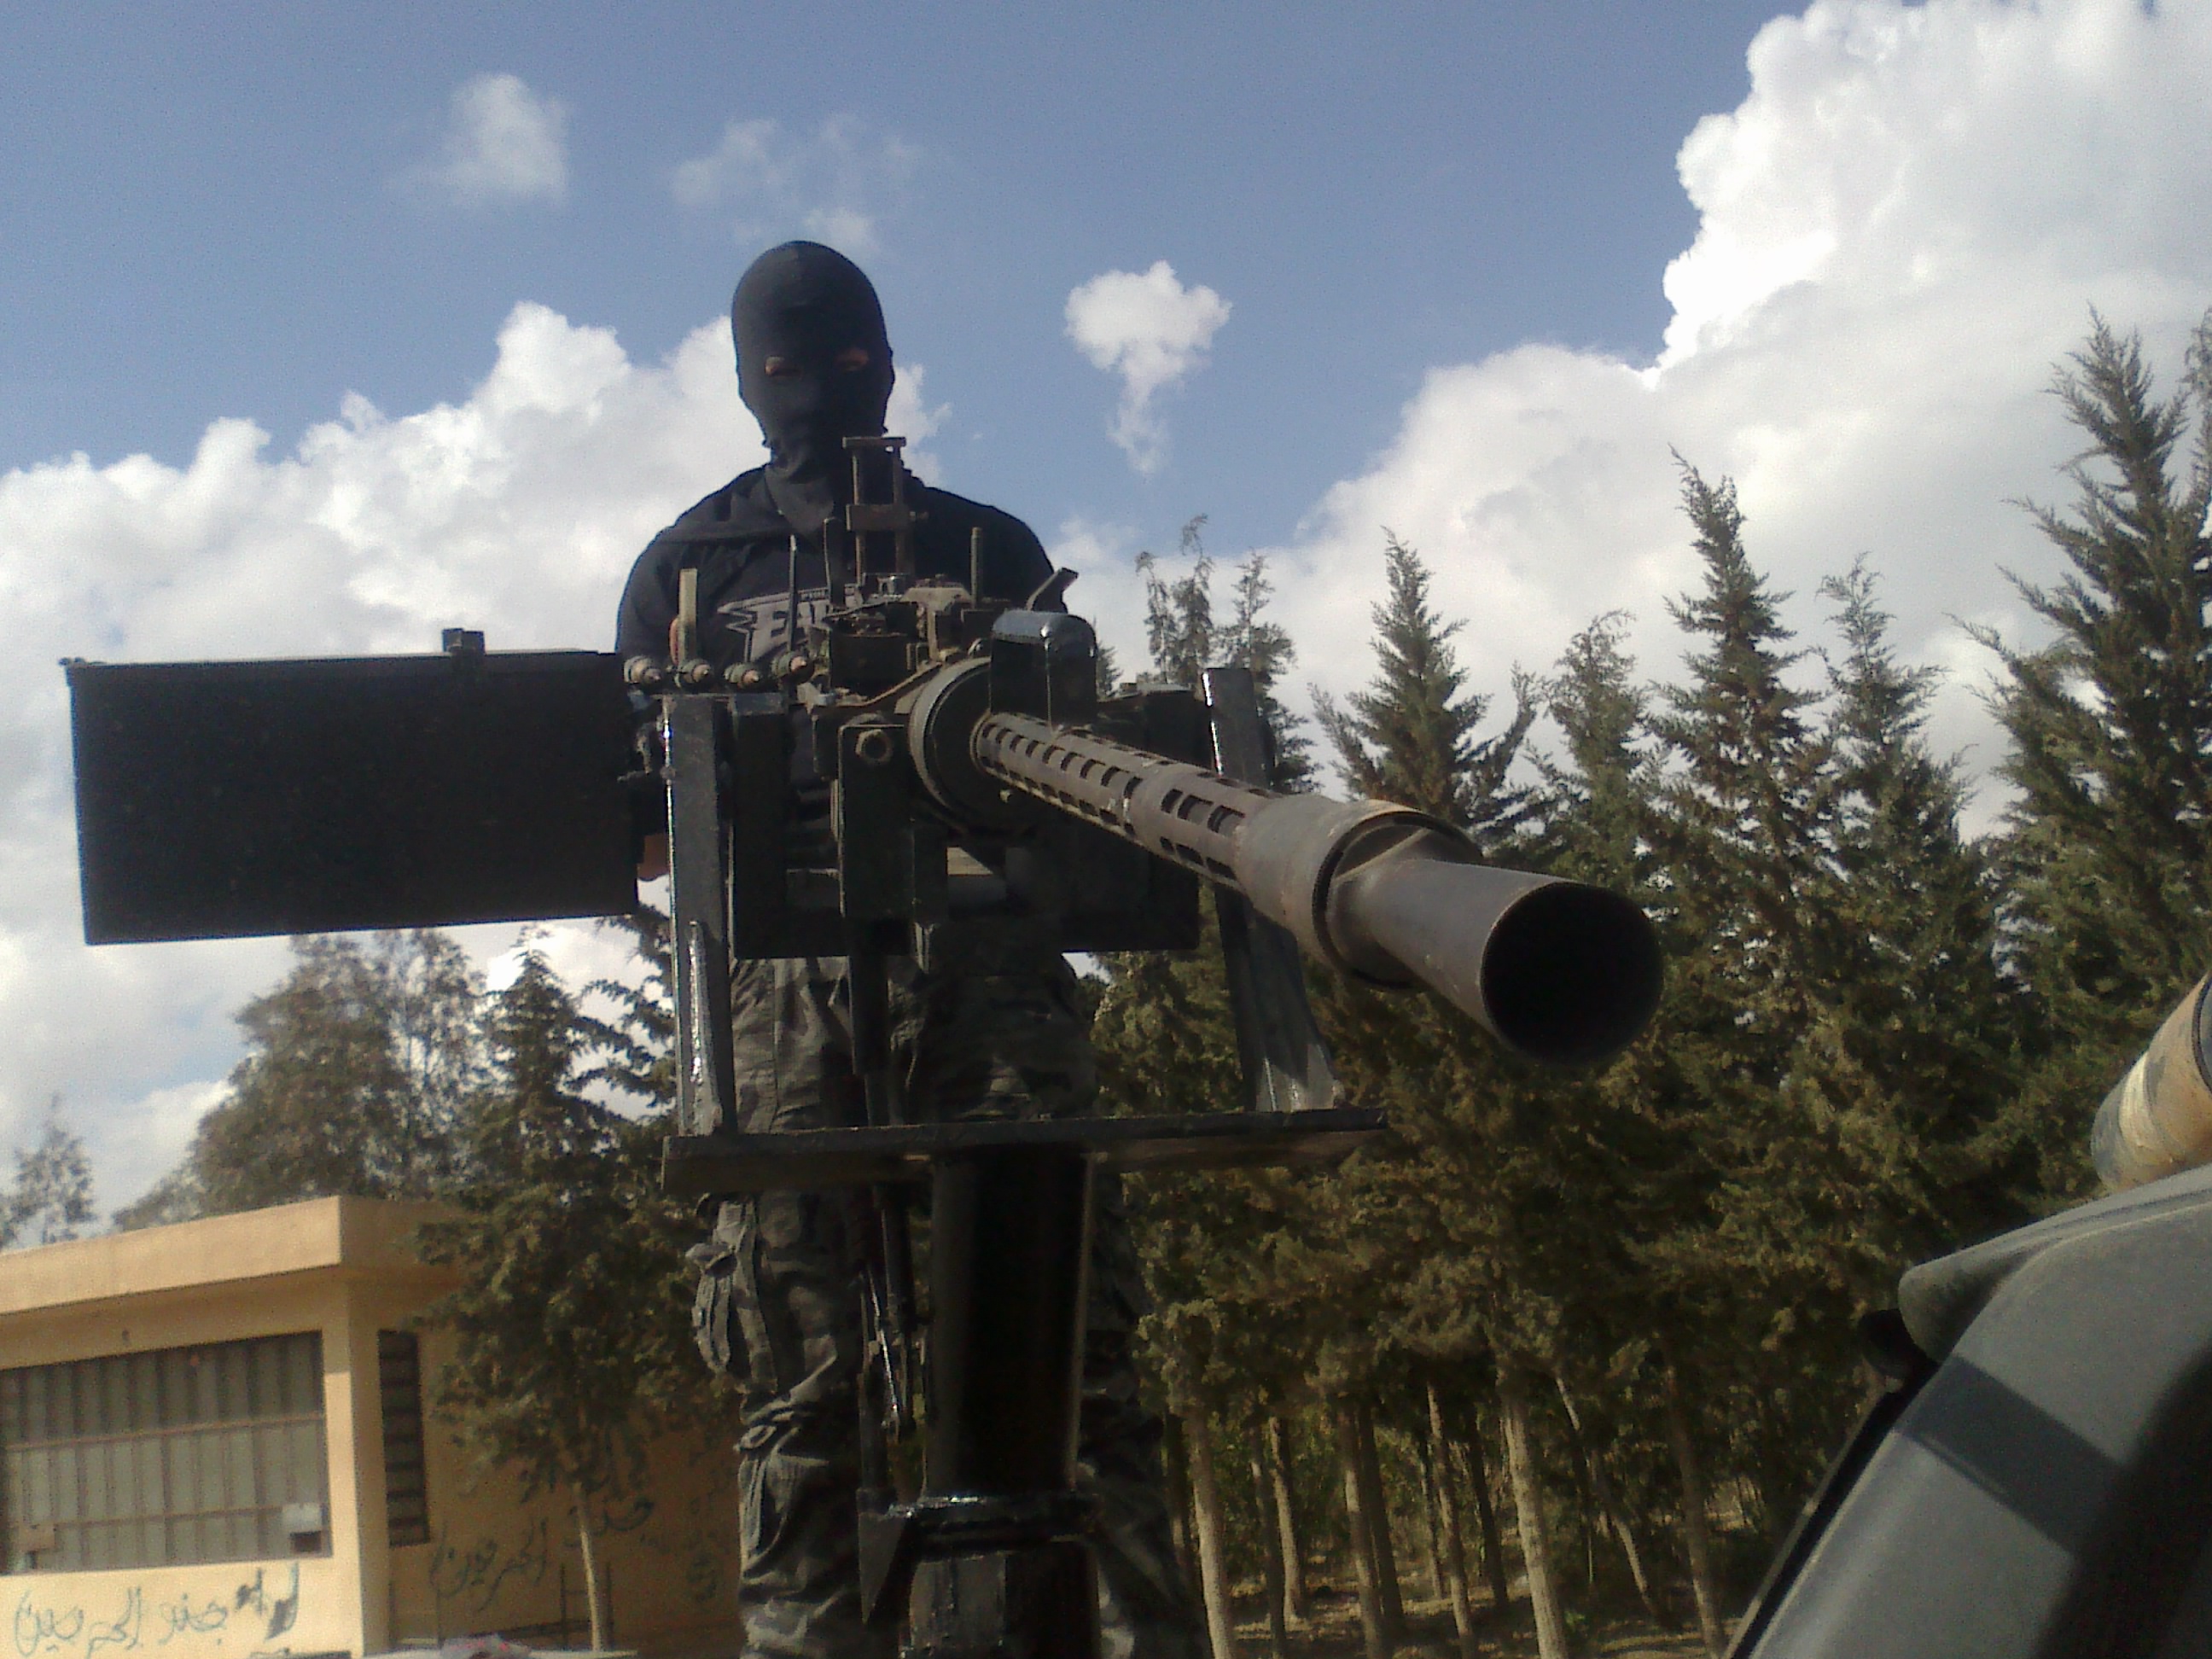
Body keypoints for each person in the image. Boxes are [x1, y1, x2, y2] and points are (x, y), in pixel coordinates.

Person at [615, 242, 1202, 1659]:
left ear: (885, 363)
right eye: (788, 367)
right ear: (747, 378)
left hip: (989, 958)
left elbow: (1081, 775)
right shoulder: (689, 565)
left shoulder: (988, 550)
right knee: (802, 1383)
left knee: (1075, 1359)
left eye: (844, 361)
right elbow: (638, 833)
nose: (820, 389)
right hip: (778, 987)